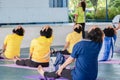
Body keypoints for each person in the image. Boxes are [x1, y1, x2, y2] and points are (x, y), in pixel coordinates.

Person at [38, 26, 104, 80]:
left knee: (60, 72)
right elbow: (102, 36)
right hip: (93, 77)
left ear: (90, 33)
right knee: (71, 68)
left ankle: (44, 73)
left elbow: (70, 60)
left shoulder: (80, 44)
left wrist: (61, 68)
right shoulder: (99, 44)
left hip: (80, 77)